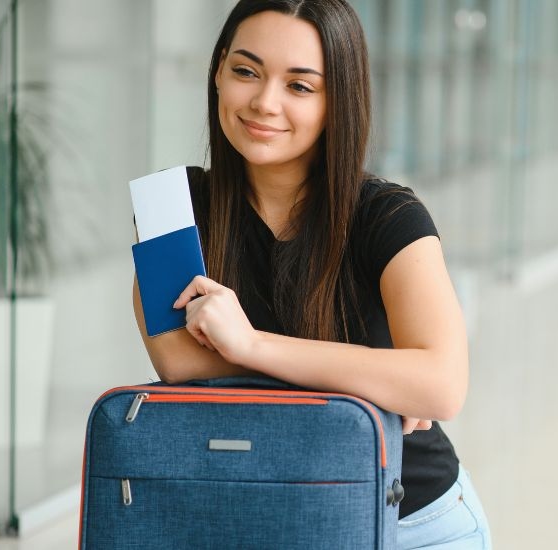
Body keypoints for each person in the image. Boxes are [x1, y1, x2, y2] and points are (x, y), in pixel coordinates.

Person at [132, 1, 491, 548]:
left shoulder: (389, 217)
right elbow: (181, 362)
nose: (264, 103)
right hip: (242, 516)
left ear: (336, 101)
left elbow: (441, 387)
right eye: (246, 71)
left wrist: (250, 346)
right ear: (218, 71)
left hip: (408, 522)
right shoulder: (169, 206)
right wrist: (376, 391)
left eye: (300, 86)